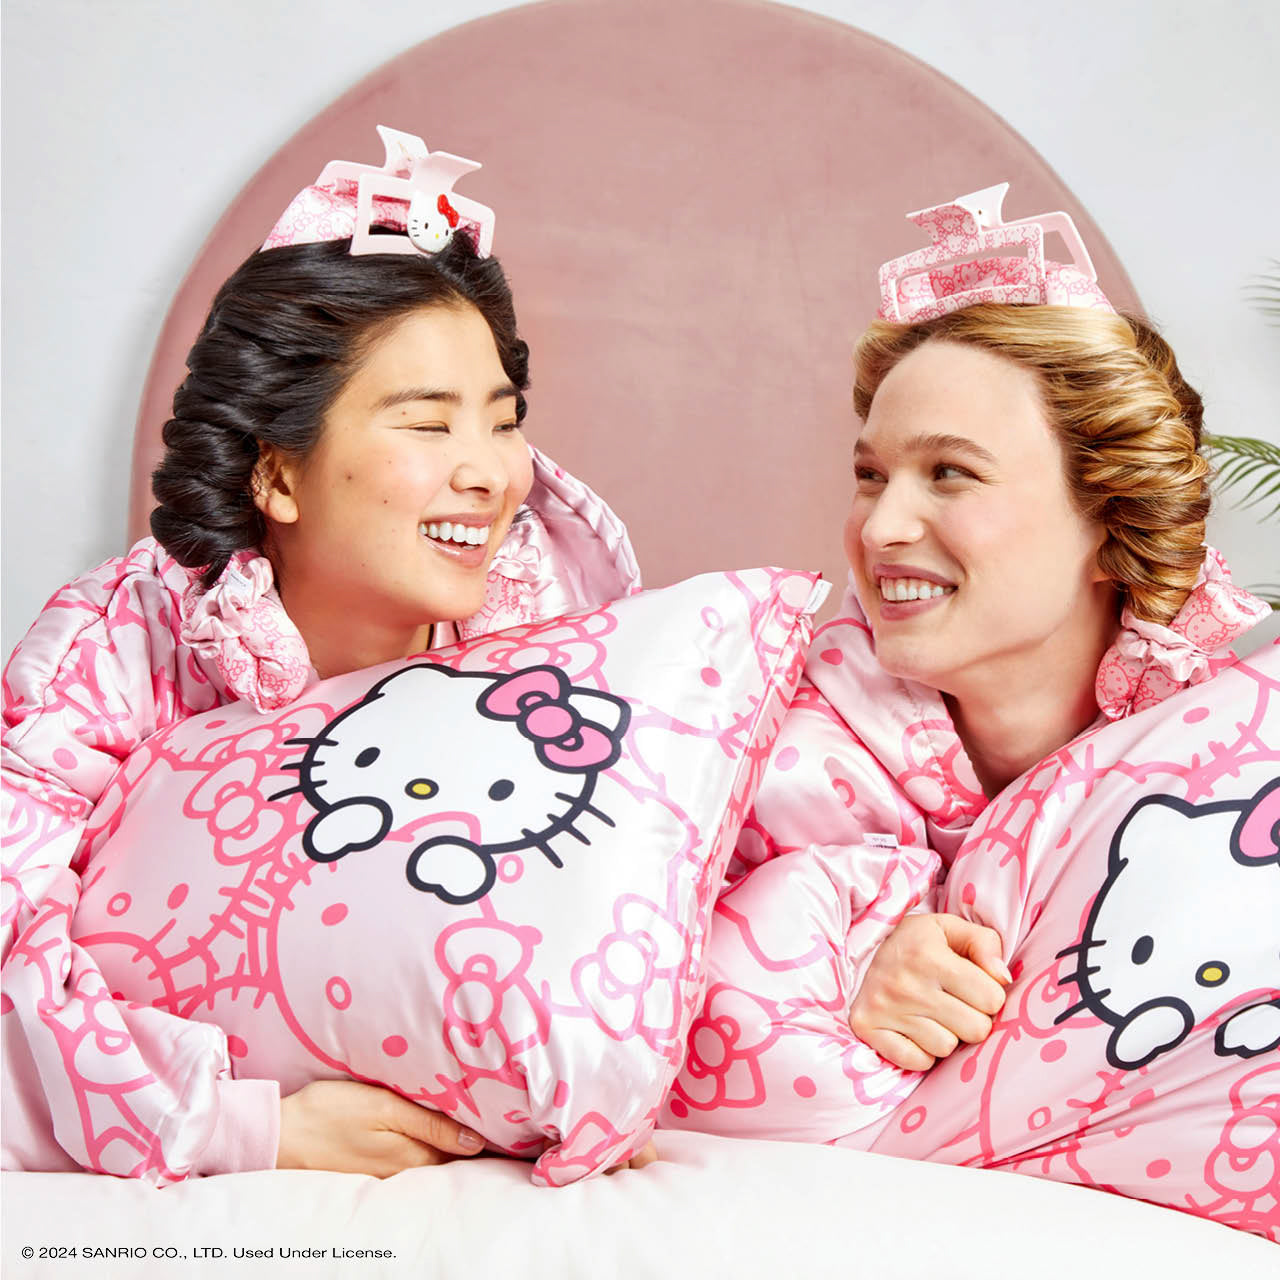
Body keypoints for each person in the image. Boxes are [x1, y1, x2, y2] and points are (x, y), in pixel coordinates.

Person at [1, 127, 640, 1184]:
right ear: (277, 474)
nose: (489, 474)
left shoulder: (558, 635)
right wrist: (237, 1125)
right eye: (426, 425)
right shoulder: (114, 651)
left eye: (502, 422)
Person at [663, 184, 1268, 1139]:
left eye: (950, 472)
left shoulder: (1226, 757)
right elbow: (614, 993)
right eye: (870, 475)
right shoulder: (752, 758)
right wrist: (839, 967)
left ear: (1113, 519)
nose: (881, 529)